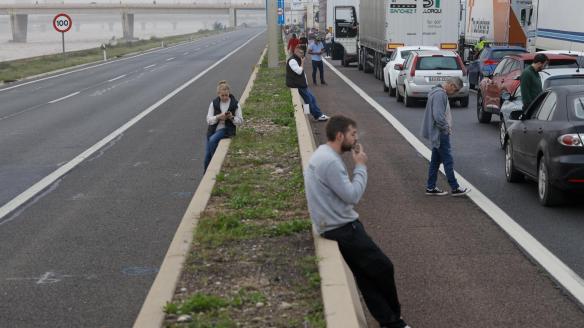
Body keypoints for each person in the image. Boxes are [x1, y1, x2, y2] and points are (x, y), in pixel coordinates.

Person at [304, 115, 411, 328]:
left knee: (365, 277)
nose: (356, 139)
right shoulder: (330, 162)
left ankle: (390, 321)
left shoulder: (322, 155)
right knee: (383, 267)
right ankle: (394, 318)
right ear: (340, 135)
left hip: (330, 225)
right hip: (343, 228)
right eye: (353, 134)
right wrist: (360, 166)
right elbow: (352, 196)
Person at [420, 77, 470, 196]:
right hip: (440, 133)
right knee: (448, 160)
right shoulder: (440, 95)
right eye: (455, 90)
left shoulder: (436, 92)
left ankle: (431, 187)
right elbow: (438, 116)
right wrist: (446, 128)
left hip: (437, 132)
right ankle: (455, 187)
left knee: (435, 161)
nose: (455, 93)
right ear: (451, 85)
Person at [204, 80, 243, 172]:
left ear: (229, 93)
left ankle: (215, 163)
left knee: (213, 140)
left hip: (226, 129)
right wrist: (218, 117)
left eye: (226, 95)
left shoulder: (235, 104)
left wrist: (231, 117)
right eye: (222, 95)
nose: (225, 97)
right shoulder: (213, 103)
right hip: (212, 129)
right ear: (218, 94)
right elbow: (208, 120)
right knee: (206, 156)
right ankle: (206, 173)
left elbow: (240, 121)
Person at [286, 46, 329, 121]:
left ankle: (309, 114)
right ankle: (318, 115)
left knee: (311, 99)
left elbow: (302, 73)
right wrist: (302, 62)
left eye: (303, 53)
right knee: (309, 100)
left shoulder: (297, 59)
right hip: (297, 85)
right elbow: (299, 71)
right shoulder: (292, 60)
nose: (302, 54)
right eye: (300, 53)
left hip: (302, 84)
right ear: (295, 51)